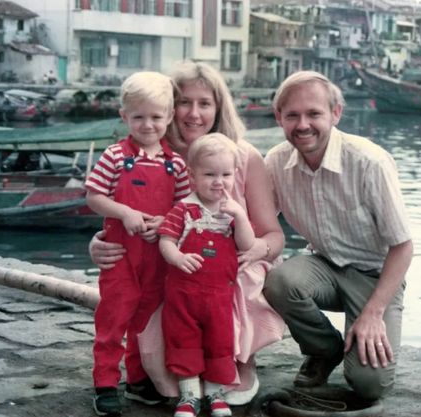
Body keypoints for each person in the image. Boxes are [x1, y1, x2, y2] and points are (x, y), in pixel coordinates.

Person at [88, 61, 286, 406]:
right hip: (171, 263)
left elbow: (274, 235)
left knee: (225, 290)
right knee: (159, 368)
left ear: (219, 108)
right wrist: (97, 242)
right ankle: (149, 373)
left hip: (230, 263)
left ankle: (240, 359)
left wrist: (254, 250)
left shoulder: (244, 156)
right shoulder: (158, 153)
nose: (194, 113)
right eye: (185, 103)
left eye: (204, 103)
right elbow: (122, 205)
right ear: (170, 108)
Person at [263, 71, 413, 401]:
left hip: (375, 276)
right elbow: (259, 225)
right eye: (292, 115)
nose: (303, 125)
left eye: (314, 113)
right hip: (324, 267)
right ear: (279, 117)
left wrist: (373, 314)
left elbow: (403, 246)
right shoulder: (275, 161)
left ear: (336, 113)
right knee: (278, 281)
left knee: (369, 385)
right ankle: (323, 349)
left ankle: (360, 329)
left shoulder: (369, 161)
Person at [84, 71, 191, 416]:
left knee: (144, 321)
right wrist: (125, 212)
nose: (148, 125)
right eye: (139, 117)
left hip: (157, 258)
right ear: (124, 116)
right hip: (121, 256)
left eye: (156, 117)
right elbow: (94, 196)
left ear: (169, 116)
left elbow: (184, 209)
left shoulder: (176, 164)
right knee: (113, 319)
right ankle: (104, 383)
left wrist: (164, 222)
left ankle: (138, 380)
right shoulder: (115, 156)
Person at [159, 133, 255, 417]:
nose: (218, 181)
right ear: (192, 176)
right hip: (183, 295)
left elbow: (246, 244)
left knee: (220, 342)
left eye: (226, 174)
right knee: (183, 341)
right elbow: (166, 241)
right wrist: (178, 257)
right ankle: (189, 396)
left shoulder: (232, 212)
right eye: (210, 174)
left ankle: (215, 394)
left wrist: (241, 216)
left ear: (234, 174)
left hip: (220, 296)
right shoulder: (183, 209)